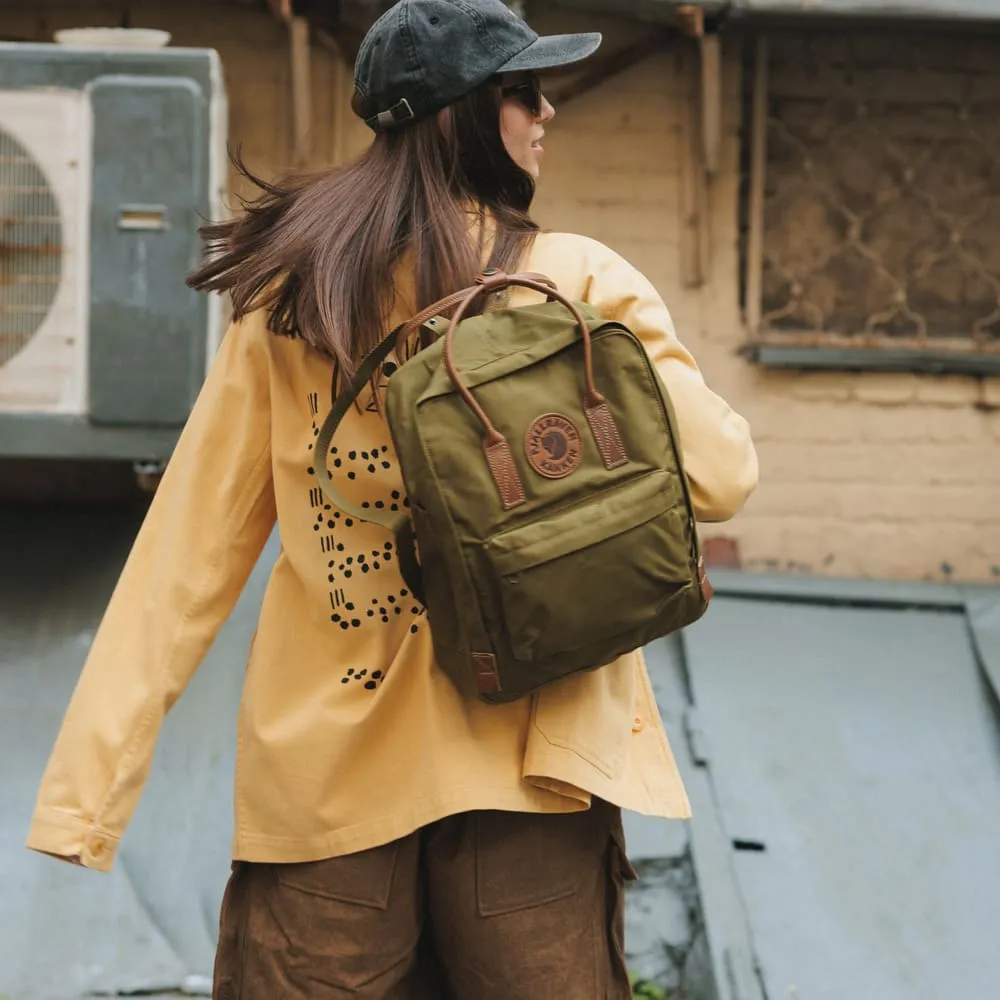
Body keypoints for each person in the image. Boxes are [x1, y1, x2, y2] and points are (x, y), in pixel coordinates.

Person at [27, 0, 758, 996]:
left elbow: (184, 560)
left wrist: (86, 797)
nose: (547, 111)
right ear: (464, 115)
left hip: (327, 790)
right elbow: (721, 476)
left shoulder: (292, 304)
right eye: (523, 91)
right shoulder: (572, 281)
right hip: (530, 778)